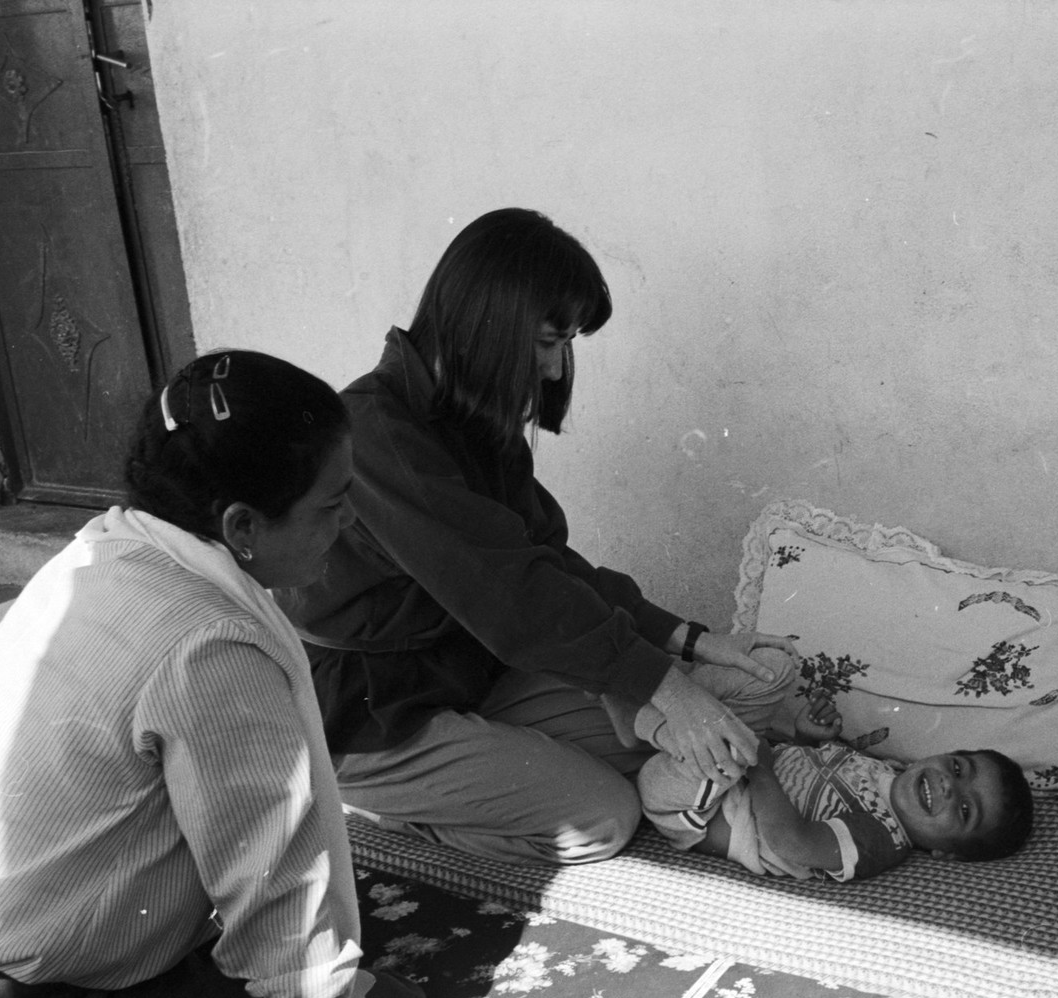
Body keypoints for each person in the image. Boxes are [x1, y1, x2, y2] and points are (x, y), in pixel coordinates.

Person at [0, 352, 426, 998]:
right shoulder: (214, 643)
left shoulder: (106, 547)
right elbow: (288, 921)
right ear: (242, 527)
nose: (349, 522)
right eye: (330, 506)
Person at [277, 208, 794, 865]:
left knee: (741, 701)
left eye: (565, 344)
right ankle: (380, 805)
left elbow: (543, 561)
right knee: (605, 817)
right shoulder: (378, 432)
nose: (554, 370)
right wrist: (670, 689)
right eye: (548, 341)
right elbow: (513, 595)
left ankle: (543, 770)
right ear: (487, 323)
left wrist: (688, 639)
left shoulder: (473, 418)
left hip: (471, 677)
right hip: (370, 719)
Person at [635, 646, 1035, 881]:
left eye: (965, 809)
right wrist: (805, 738)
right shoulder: (884, 770)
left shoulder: (882, 838)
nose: (950, 786)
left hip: (695, 810)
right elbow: (803, 775)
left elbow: (792, 841)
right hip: (735, 766)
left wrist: (760, 766)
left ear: (947, 853)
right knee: (773, 666)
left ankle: (637, 712)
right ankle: (655, 699)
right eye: (960, 769)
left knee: (729, 748)